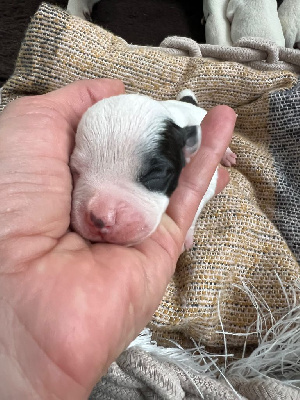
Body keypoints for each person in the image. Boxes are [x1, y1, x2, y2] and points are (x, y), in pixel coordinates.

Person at [0, 79, 236, 399]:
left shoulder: (188, 138)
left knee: (212, 137)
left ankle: (196, 110)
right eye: (79, 171)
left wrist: (187, 224)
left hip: (192, 121)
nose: (101, 213)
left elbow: (201, 185)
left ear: (187, 152)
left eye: (151, 174)